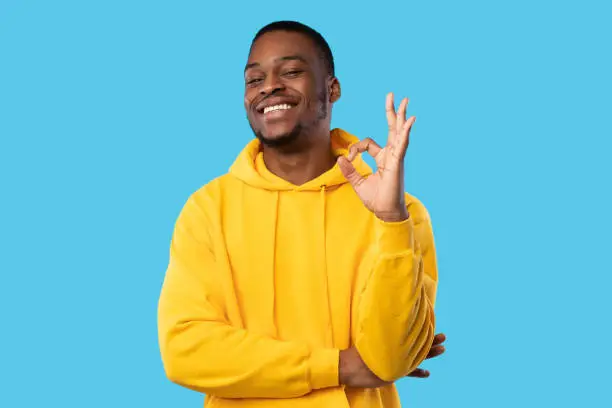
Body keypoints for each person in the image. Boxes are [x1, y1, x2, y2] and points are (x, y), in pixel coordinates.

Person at [157, 20, 445, 408]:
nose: (269, 86)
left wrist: (390, 220)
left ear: (333, 89)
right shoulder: (208, 210)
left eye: (291, 71)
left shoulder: (403, 214)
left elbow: (389, 358)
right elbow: (184, 351)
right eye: (254, 78)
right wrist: (339, 365)